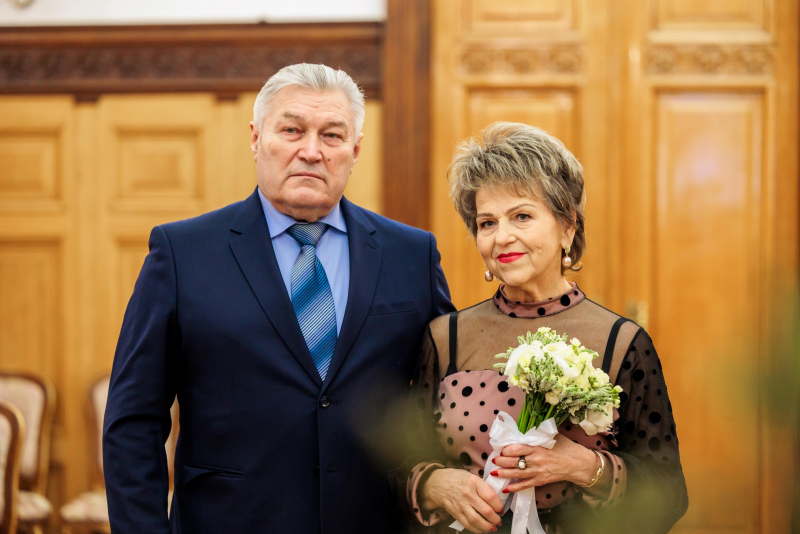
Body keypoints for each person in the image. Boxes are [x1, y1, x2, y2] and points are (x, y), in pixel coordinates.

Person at [103, 63, 454, 534]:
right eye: (291, 130)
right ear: (256, 138)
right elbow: (133, 422)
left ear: (355, 150)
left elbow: (450, 397)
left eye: (331, 135)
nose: (310, 151)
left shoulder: (411, 254)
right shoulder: (182, 254)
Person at [400, 122, 688, 533]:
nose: (502, 237)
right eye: (487, 223)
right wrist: (432, 484)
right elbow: (396, 465)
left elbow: (668, 493)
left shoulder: (622, 342)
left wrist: (585, 466)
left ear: (567, 228)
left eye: (521, 216)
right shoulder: (445, 338)